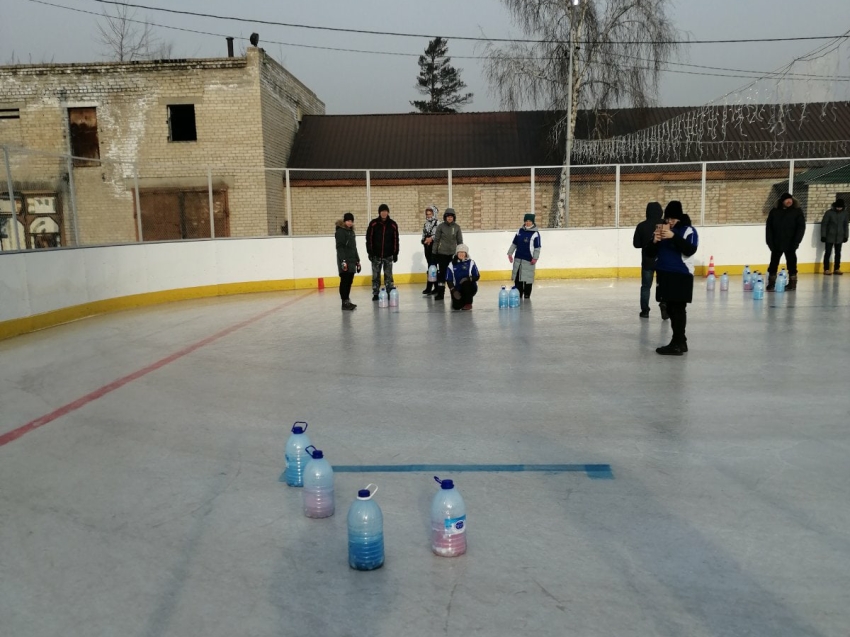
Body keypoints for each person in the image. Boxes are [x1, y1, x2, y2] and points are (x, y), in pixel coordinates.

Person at [653, 201, 698, 356]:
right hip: (664, 274)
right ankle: (681, 341)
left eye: (673, 219)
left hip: (681, 274)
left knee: (678, 309)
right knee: (670, 309)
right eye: (668, 218)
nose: (670, 222)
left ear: (679, 218)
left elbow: (690, 249)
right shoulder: (662, 230)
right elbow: (650, 254)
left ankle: (677, 343)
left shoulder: (688, 231)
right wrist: (654, 242)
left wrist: (673, 237)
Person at [765, 192, 805, 291]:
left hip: (791, 243)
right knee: (773, 263)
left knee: (791, 263)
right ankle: (771, 283)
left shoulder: (797, 211)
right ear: (782, 201)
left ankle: (792, 283)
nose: (789, 201)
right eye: (786, 200)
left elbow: (801, 228)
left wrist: (796, 241)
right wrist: (770, 242)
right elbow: (769, 228)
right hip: (776, 243)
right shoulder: (774, 212)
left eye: (790, 199)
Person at [633, 202, 664, 319]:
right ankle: (663, 305)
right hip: (662, 261)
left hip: (647, 261)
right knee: (662, 285)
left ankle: (645, 311)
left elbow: (636, 244)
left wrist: (646, 242)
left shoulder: (641, 226)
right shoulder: (663, 224)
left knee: (646, 287)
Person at [366, 203, 399, 301]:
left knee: (388, 275)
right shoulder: (373, 224)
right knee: (376, 275)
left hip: (388, 255)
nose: (384, 213)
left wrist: (395, 253)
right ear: (379, 213)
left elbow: (396, 240)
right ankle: (376, 293)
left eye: (385, 211)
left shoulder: (393, 224)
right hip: (376, 255)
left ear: (388, 212)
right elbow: (369, 238)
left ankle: (389, 291)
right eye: (382, 211)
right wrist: (370, 252)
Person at [507, 213, 541, 299]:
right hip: (518, 258)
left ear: (532, 222)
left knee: (527, 279)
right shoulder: (520, 231)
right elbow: (514, 243)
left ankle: (527, 294)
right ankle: (518, 293)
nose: (528, 222)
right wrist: (510, 253)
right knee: (518, 278)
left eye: (529, 221)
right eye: (526, 221)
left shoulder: (535, 233)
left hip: (528, 260)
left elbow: (537, 248)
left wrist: (535, 258)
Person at [432, 208, 463, 301]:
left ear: (454, 218)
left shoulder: (457, 227)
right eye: (448, 217)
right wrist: (434, 253)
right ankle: (440, 294)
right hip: (442, 254)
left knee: (454, 275)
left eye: (451, 217)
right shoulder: (441, 227)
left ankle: (455, 293)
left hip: (453, 255)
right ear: (445, 217)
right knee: (442, 275)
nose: (449, 218)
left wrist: (460, 253)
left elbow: (460, 242)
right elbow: (436, 240)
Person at [335, 212, 361, 311]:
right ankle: (344, 301)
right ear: (344, 221)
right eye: (348, 221)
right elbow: (339, 247)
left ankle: (347, 300)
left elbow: (354, 248)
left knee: (349, 281)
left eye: (351, 221)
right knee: (345, 281)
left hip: (352, 260)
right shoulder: (340, 232)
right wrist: (343, 260)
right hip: (345, 261)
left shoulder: (351, 232)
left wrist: (357, 260)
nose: (350, 223)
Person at [445, 244, 480, 311]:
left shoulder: (471, 262)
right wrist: (453, 291)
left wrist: (468, 278)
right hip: (457, 289)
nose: (461, 254)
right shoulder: (451, 264)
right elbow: (448, 279)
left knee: (466, 283)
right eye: (459, 252)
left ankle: (468, 303)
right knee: (457, 307)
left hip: (469, 288)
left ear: (466, 253)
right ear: (457, 253)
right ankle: (461, 300)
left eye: (463, 252)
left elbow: (477, 276)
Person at [820, 198, 848, 275]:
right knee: (828, 252)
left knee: (838, 253)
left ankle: (837, 268)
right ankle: (826, 269)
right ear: (835, 206)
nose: (839, 208)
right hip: (829, 236)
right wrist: (823, 236)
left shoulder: (845, 213)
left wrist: (846, 236)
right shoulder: (829, 213)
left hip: (840, 237)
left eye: (840, 207)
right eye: (837, 207)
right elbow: (824, 224)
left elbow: (845, 225)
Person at [421, 204, 439, 294]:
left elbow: (438, 235)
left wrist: (431, 239)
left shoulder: (438, 223)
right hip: (427, 247)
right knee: (430, 266)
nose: (428, 216)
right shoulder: (425, 224)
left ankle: (436, 287)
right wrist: (424, 240)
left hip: (434, 247)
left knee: (433, 267)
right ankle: (429, 287)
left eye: (430, 214)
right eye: (427, 214)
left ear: (434, 213)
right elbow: (423, 235)